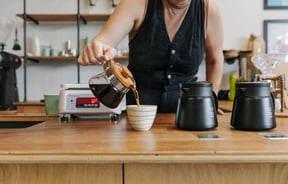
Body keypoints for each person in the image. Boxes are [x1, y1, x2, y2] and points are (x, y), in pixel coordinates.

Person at [78, 0, 224, 114]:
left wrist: (210, 100)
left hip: (187, 113)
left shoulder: (208, 10)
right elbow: (104, 41)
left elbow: (215, 61)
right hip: (136, 113)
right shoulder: (137, 3)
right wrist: (98, 47)